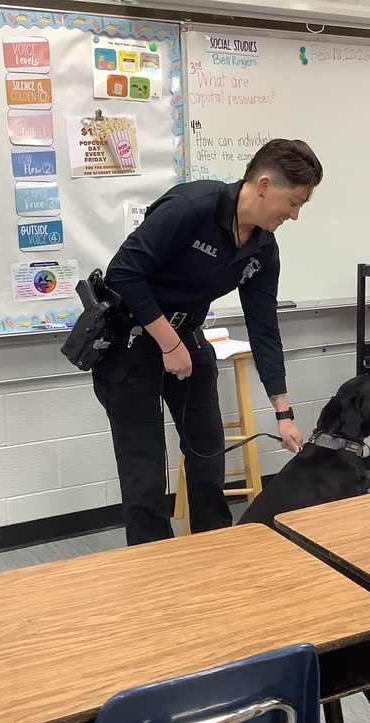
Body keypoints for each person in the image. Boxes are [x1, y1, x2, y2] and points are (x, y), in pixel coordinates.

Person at [92, 139, 323, 546]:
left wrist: (283, 413)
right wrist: (167, 343)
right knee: (144, 473)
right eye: (294, 201)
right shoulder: (193, 205)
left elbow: (264, 328)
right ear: (265, 184)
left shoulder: (263, 249)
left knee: (208, 458)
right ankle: (153, 571)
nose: (296, 214)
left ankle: (213, 555)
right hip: (131, 342)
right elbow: (123, 273)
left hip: (185, 340)